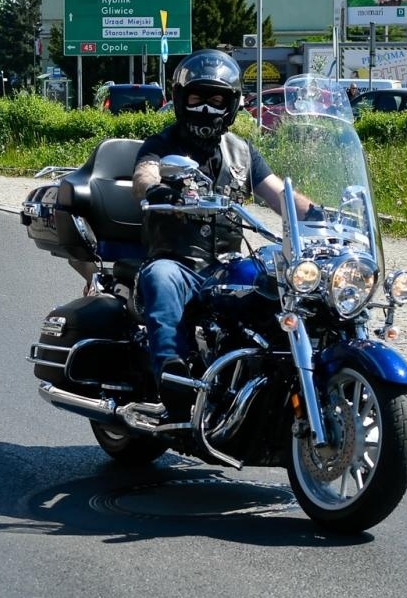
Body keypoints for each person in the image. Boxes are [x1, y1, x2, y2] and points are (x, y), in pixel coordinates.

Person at [132, 49, 318, 419]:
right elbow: (144, 176)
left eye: (216, 99)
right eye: (198, 98)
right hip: (179, 261)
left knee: (277, 281)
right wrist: (156, 190)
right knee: (161, 278)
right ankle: (172, 373)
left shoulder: (242, 153)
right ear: (182, 100)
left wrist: (319, 214)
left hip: (226, 266)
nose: (206, 108)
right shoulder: (162, 144)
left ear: (231, 104)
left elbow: (278, 193)